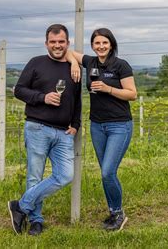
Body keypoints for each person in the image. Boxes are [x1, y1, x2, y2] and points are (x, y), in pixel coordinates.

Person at [8, 24, 82, 236]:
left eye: (61, 42)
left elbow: (76, 100)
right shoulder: (36, 63)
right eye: (53, 42)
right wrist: (43, 98)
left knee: (65, 175)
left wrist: (76, 125)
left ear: (67, 44)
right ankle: (36, 221)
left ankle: (21, 206)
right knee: (35, 176)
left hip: (64, 133)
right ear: (46, 43)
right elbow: (19, 90)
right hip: (38, 128)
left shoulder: (74, 67)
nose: (57, 45)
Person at [66, 27, 137, 231]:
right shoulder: (90, 62)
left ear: (111, 44)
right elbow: (69, 52)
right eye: (97, 43)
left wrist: (108, 89)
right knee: (105, 172)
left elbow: (132, 94)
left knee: (107, 172)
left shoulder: (121, 66)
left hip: (119, 125)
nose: (101, 46)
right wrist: (74, 63)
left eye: (105, 43)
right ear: (92, 46)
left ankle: (118, 213)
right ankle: (114, 212)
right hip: (97, 125)